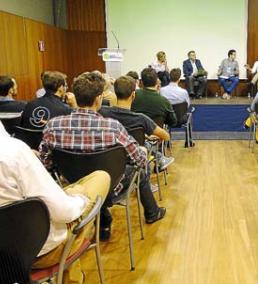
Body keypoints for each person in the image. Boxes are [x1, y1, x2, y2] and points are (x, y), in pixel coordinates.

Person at [39, 71, 166, 242]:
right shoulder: (113, 128)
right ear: (99, 98)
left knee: (94, 169)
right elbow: (139, 161)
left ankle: (104, 221)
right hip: (111, 188)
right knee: (140, 171)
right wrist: (142, 151)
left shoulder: (53, 126)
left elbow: (45, 162)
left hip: (73, 184)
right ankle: (152, 213)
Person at [0, 129, 110, 284]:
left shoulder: (51, 128)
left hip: (7, 254)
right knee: (100, 178)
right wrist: (80, 199)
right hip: (38, 253)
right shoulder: (14, 152)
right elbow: (64, 213)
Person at [100, 75, 175, 170]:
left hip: (109, 161)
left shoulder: (102, 112)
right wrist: (146, 136)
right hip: (134, 161)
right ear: (133, 95)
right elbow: (166, 136)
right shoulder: (141, 119)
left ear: (115, 93)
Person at [160, 68, 194, 147]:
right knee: (190, 115)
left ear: (169, 77)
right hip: (180, 119)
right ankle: (189, 141)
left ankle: (167, 142)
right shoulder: (183, 92)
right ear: (179, 79)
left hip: (166, 119)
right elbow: (187, 105)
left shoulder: (162, 90)